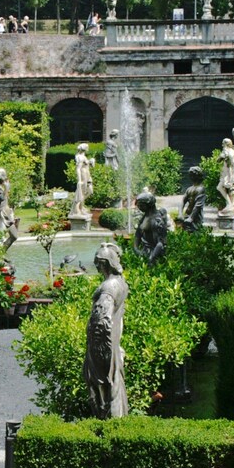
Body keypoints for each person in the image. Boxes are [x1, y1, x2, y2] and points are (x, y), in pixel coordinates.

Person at [83, 242, 130, 419]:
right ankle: (115, 428)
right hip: (113, 345)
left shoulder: (109, 287)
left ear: (103, 264)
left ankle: (108, 431)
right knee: (114, 389)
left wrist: (99, 355)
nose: (96, 267)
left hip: (104, 349)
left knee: (104, 393)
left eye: (98, 263)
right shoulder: (120, 283)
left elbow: (102, 321)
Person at [133, 191, 168, 266]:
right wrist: (136, 248)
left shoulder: (157, 220)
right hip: (144, 252)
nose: (139, 208)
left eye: (141, 205)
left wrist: (152, 257)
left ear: (148, 205)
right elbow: (137, 234)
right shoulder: (144, 217)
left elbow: (161, 242)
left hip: (153, 254)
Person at [0, 168, 18, 251]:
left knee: (14, 236)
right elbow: (0, 199)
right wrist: (7, 189)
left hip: (6, 215)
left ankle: (1, 254)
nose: (5, 178)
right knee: (0, 239)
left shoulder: (0, 188)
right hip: (0, 215)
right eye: (4, 175)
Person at [178, 166, 207, 233]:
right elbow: (182, 201)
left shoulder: (201, 189)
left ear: (197, 175)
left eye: (193, 175)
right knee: (186, 234)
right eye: (190, 175)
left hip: (196, 217)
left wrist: (191, 218)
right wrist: (180, 213)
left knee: (195, 234)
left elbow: (198, 205)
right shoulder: (189, 189)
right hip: (187, 215)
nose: (191, 177)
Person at [70, 143, 95, 218]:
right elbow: (78, 169)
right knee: (82, 192)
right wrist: (79, 180)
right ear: (85, 148)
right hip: (83, 176)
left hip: (87, 175)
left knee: (90, 191)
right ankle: (77, 208)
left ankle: (81, 207)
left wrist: (91, 162)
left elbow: (89, 166)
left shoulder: (83, 157)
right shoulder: (81, 157)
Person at [217, 138, 234, 216]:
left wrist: (233, 176)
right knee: (222, 188)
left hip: (230, 173)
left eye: (223, 143)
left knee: (230, 190)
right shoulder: (225, 152)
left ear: (226, 144)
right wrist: (222, 156)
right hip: (225, 173)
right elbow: (218, 160)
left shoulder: (231, 152)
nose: (222, 145)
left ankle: (230, 206)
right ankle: (229, 205)